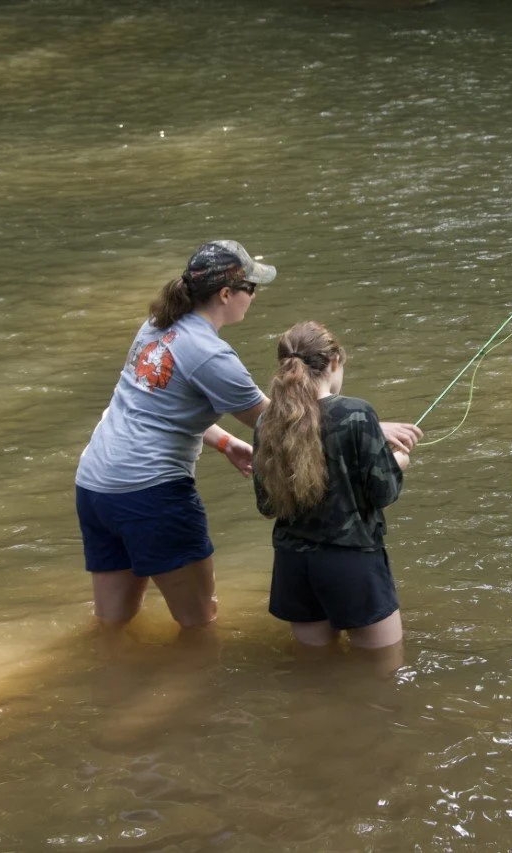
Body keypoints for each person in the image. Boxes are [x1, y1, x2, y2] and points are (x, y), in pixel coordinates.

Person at [75, 241, 422, 632]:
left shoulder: (157, 325)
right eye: (251, 288)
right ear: (226, 294)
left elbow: (153, 407)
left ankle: (107, 671)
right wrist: (372, 428)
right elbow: (287, 421)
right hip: (148, 491)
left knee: (113, 622)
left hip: (94, 486)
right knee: (199, 621)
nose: (254, 297)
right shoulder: (212, 355)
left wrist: (225, 443)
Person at [252, 321, 417, 665]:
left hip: (293, 567)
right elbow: (383, 493)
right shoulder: (357, 413)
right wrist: (397, 462)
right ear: (334, 362)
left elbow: (267, 504)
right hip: (352, 563)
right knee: (383, 671)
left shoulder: (265, 422)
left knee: (315, 671)